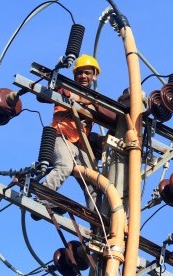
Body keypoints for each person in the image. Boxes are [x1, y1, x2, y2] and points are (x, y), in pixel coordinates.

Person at [40, 54, 103, 213]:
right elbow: (43, 95)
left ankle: (98, 224)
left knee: (95, 183)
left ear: (94, 76)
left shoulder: (97, 101)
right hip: (61, 138)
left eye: (87, 73)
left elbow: (110, 115)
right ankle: (42, 197)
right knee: (65, 165)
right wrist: (80, 99)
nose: (83, 76)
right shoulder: (66, 88)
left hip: (81, 147)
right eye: (79, 73)